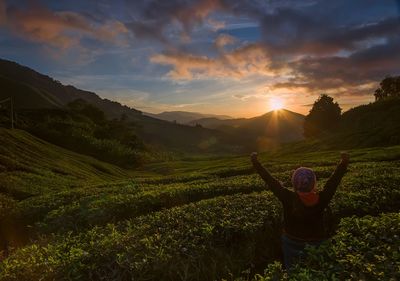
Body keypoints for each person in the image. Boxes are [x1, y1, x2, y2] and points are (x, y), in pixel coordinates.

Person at [250, 152, 349, 269]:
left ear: (295, 183)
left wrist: (256, 163)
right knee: (318, 270)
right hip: (317, 244)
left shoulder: (287, 197)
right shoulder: (322, 198)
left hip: (292, 244)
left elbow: (270, 181)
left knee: (294, 272)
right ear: (313, 183)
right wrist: (344, 163)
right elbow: (334, 182)